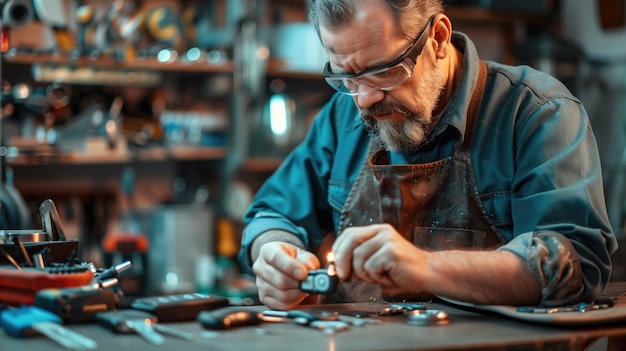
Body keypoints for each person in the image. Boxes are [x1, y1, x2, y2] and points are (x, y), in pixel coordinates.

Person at [238, 0, 618, 311]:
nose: (366, 99)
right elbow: (272, 214)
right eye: (347, 79)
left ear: (437, 38)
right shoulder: (343, 118)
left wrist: (426, 267)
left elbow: (574, 264)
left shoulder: (536, 114)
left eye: (384, 71)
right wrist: (272, 252)